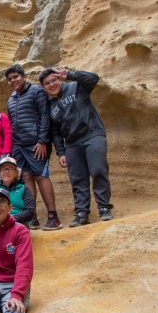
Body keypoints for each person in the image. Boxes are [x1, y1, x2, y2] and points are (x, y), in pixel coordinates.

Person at [40, 67, 113, 227]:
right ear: (43, 87)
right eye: (47, 83)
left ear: (59, 79)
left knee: (98, 170)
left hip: (92, 134)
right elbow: (55, 133)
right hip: (72, 143)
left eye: (54, 80)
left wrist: (72, 75)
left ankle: (104, 208)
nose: (52, 84)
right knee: (77, 179)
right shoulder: (50, 105)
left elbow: (94, 78)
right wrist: (61, 152)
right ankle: (82, 213)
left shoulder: (76, 86)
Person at [4, 64, 61, 230]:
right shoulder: (11, 99)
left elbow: (45, 116)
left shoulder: (37, 91)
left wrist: (43, 140)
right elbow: (12, 123)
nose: (13, 81)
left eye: (16, 77)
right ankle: (32, 216)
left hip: (36, 143)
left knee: (41, 176)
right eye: (10, 79)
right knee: (26, 178)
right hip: (19, 145)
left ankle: (53, 217)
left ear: (24, 77)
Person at [0, 156, 35, 227]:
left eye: (10, 169)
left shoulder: (24, 189)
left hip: (18, 223)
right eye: (3, 169)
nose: (6, 172)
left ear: (16, 172)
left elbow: (30, 211)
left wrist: (12, 219)